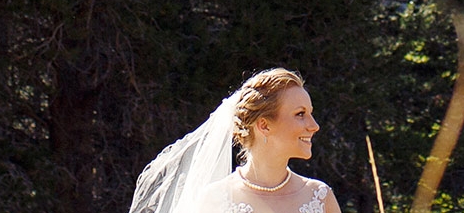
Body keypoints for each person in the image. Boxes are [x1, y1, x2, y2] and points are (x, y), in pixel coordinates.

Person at [130, 67, 341, 213]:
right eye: (300, 114)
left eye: (310, 113)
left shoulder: (319, 197)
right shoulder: (215, 199)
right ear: (264, 125)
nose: (314, 125)